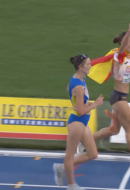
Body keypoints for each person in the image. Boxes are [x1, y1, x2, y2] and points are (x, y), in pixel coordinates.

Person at [76, 22, 130, 168]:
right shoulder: (118, 57)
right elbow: (123, 45)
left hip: (118, 96)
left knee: (113, 130)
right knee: (129, 131)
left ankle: (84, 142)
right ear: (124, 43)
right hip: (120, 98)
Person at [53, 53, 104, 190]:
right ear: (80, 67)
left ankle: (61, 168)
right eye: (88, 64)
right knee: (69, 156)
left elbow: (68, 88)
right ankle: (71, 185)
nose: (90, 65)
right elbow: (81, 111)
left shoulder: (78, 79)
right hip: (77, 123)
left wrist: (74, 100)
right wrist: (96, 104)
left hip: (82, 122)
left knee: (93, 153)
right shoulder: (79, 86)